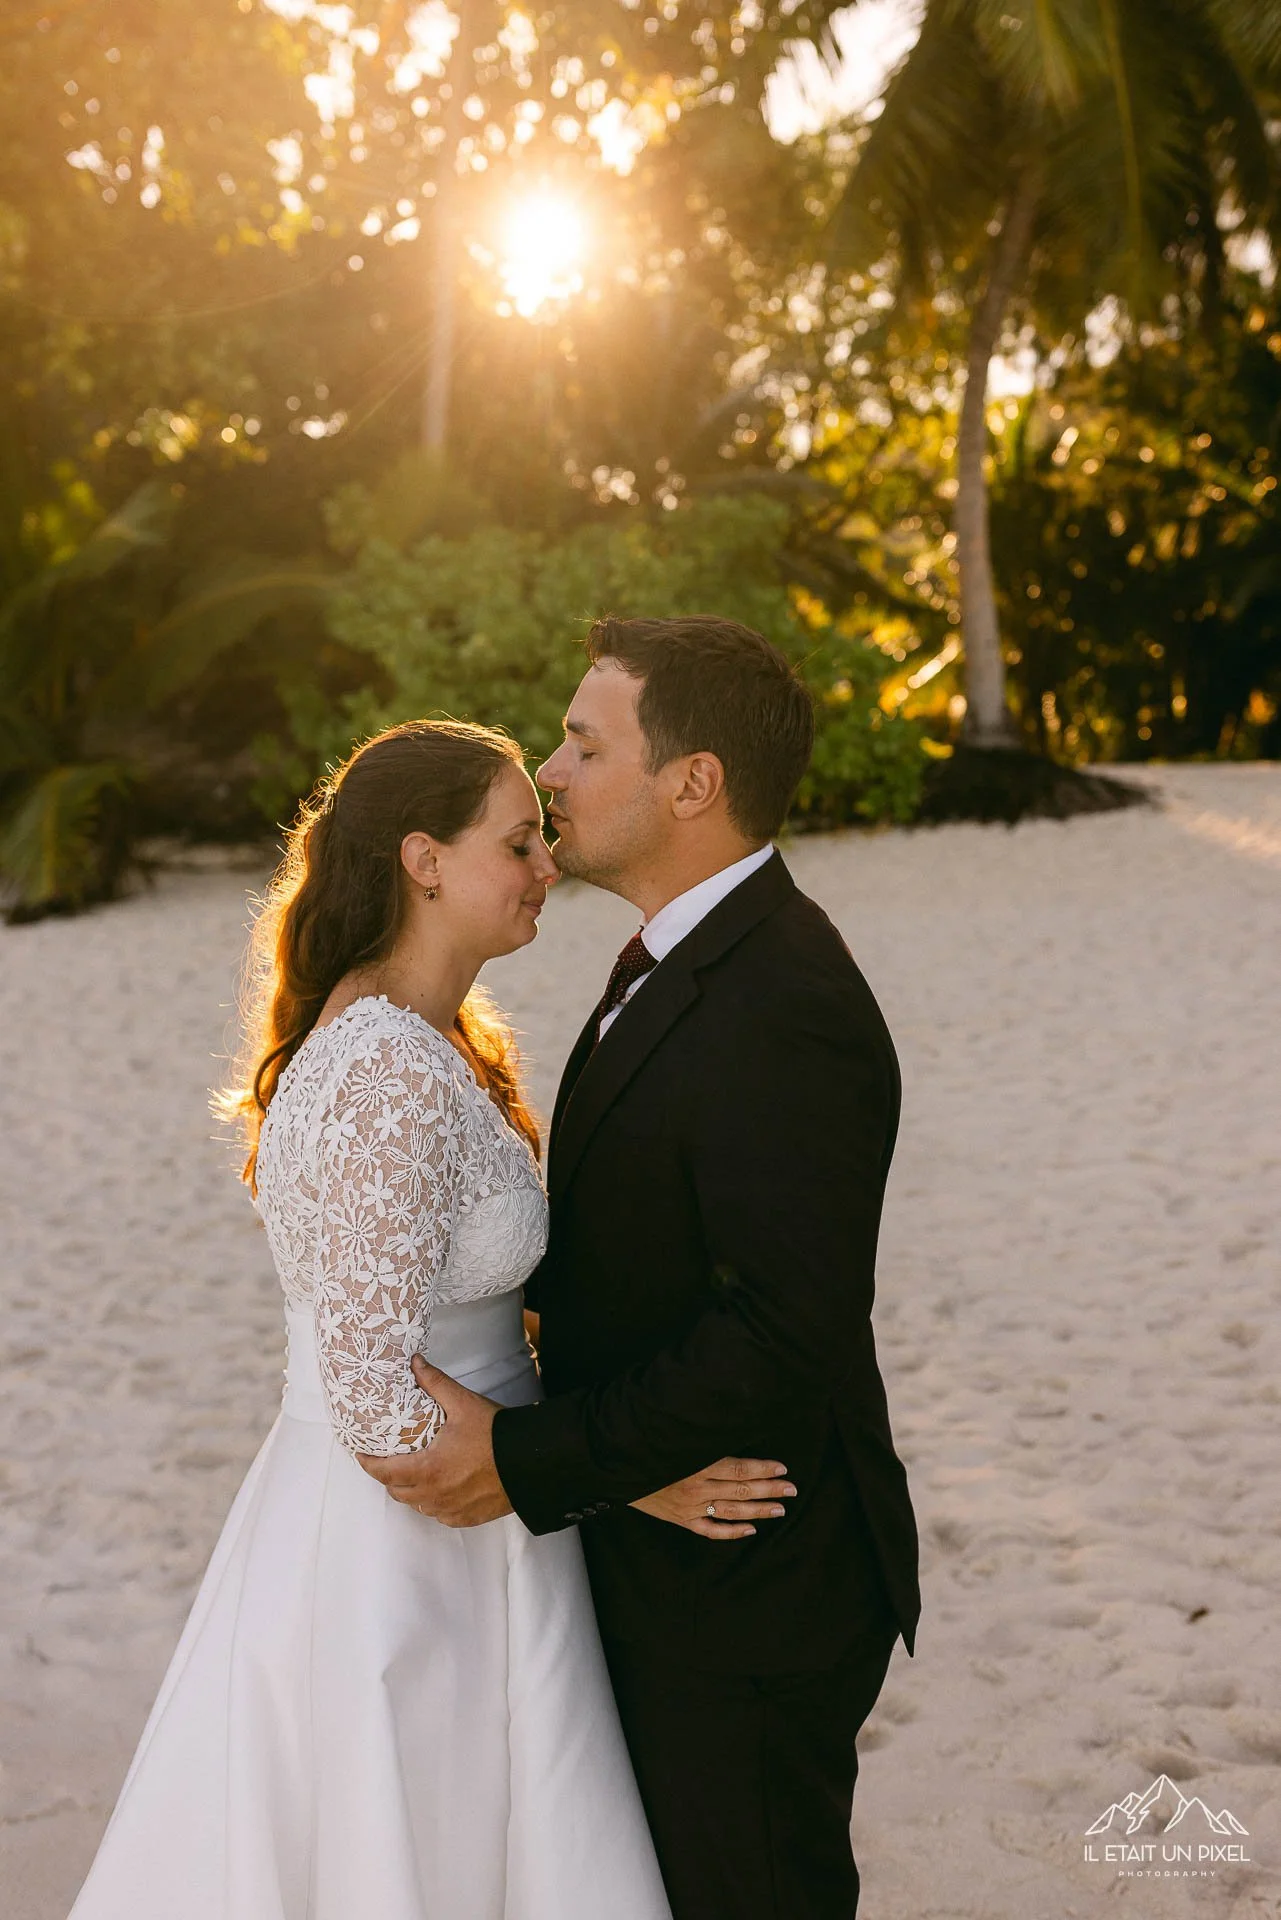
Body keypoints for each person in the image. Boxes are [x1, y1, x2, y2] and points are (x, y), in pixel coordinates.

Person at [69, 717, 785, 1920]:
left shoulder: (427, 1041)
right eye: (518, 842)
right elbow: (366, 1394)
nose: (547, 864)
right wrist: (621, 1475)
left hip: (472, 1522)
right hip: (405, 1561)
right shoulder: (385, 1069)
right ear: (424, 860)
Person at [360, 619, 923, 1920]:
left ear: (693, 783)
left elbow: (782, 1331)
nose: (550, 770)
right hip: (663, 1540)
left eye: (584, 742)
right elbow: (637, 1267)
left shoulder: (784, 1001)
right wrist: (614, 1478)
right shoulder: (673, 954)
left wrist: (528, 1458)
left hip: (751, 1594)